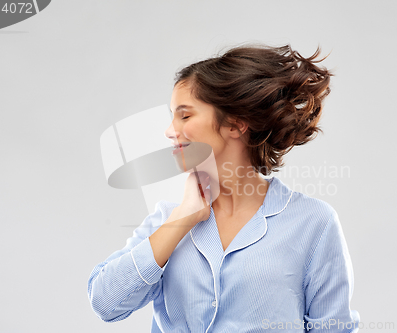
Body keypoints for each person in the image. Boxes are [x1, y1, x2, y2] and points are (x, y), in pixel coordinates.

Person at [87, 43, 360, 332]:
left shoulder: (313, 223)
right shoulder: (167, 220)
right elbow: (105, 302)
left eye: (185, 115)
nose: (170, 131)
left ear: (235, 124)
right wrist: (182, 220)